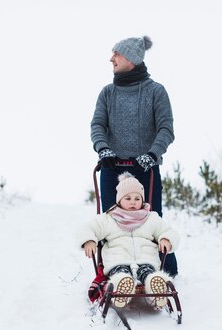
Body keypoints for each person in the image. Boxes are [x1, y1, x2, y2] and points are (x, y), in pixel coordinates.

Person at [90, 35, 179, 276]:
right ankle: (113, 272)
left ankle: (161, 273)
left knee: (150, 222)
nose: (111, 58)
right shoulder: (107, 93)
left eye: (116, 54)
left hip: (145, 168)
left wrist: (152, 154)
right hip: (112, 166)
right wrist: (103, 148)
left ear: (131, 58)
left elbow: (166, 129)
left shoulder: (156, 92)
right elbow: (97, 125)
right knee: (111, 224)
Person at [79, 173, 180, 308]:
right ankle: (121, 287)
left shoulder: (151, 218)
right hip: (117, 260)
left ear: (142, 200)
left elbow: (168, 230)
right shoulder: (109, 218)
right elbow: (89, 228)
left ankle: (156, 287)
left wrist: (166, 239)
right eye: (128, 198)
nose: (133, 202)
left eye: (137, 198)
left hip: (146, 260)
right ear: (119, 200)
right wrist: (89, 241)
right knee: (121, 273)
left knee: (148, 273)